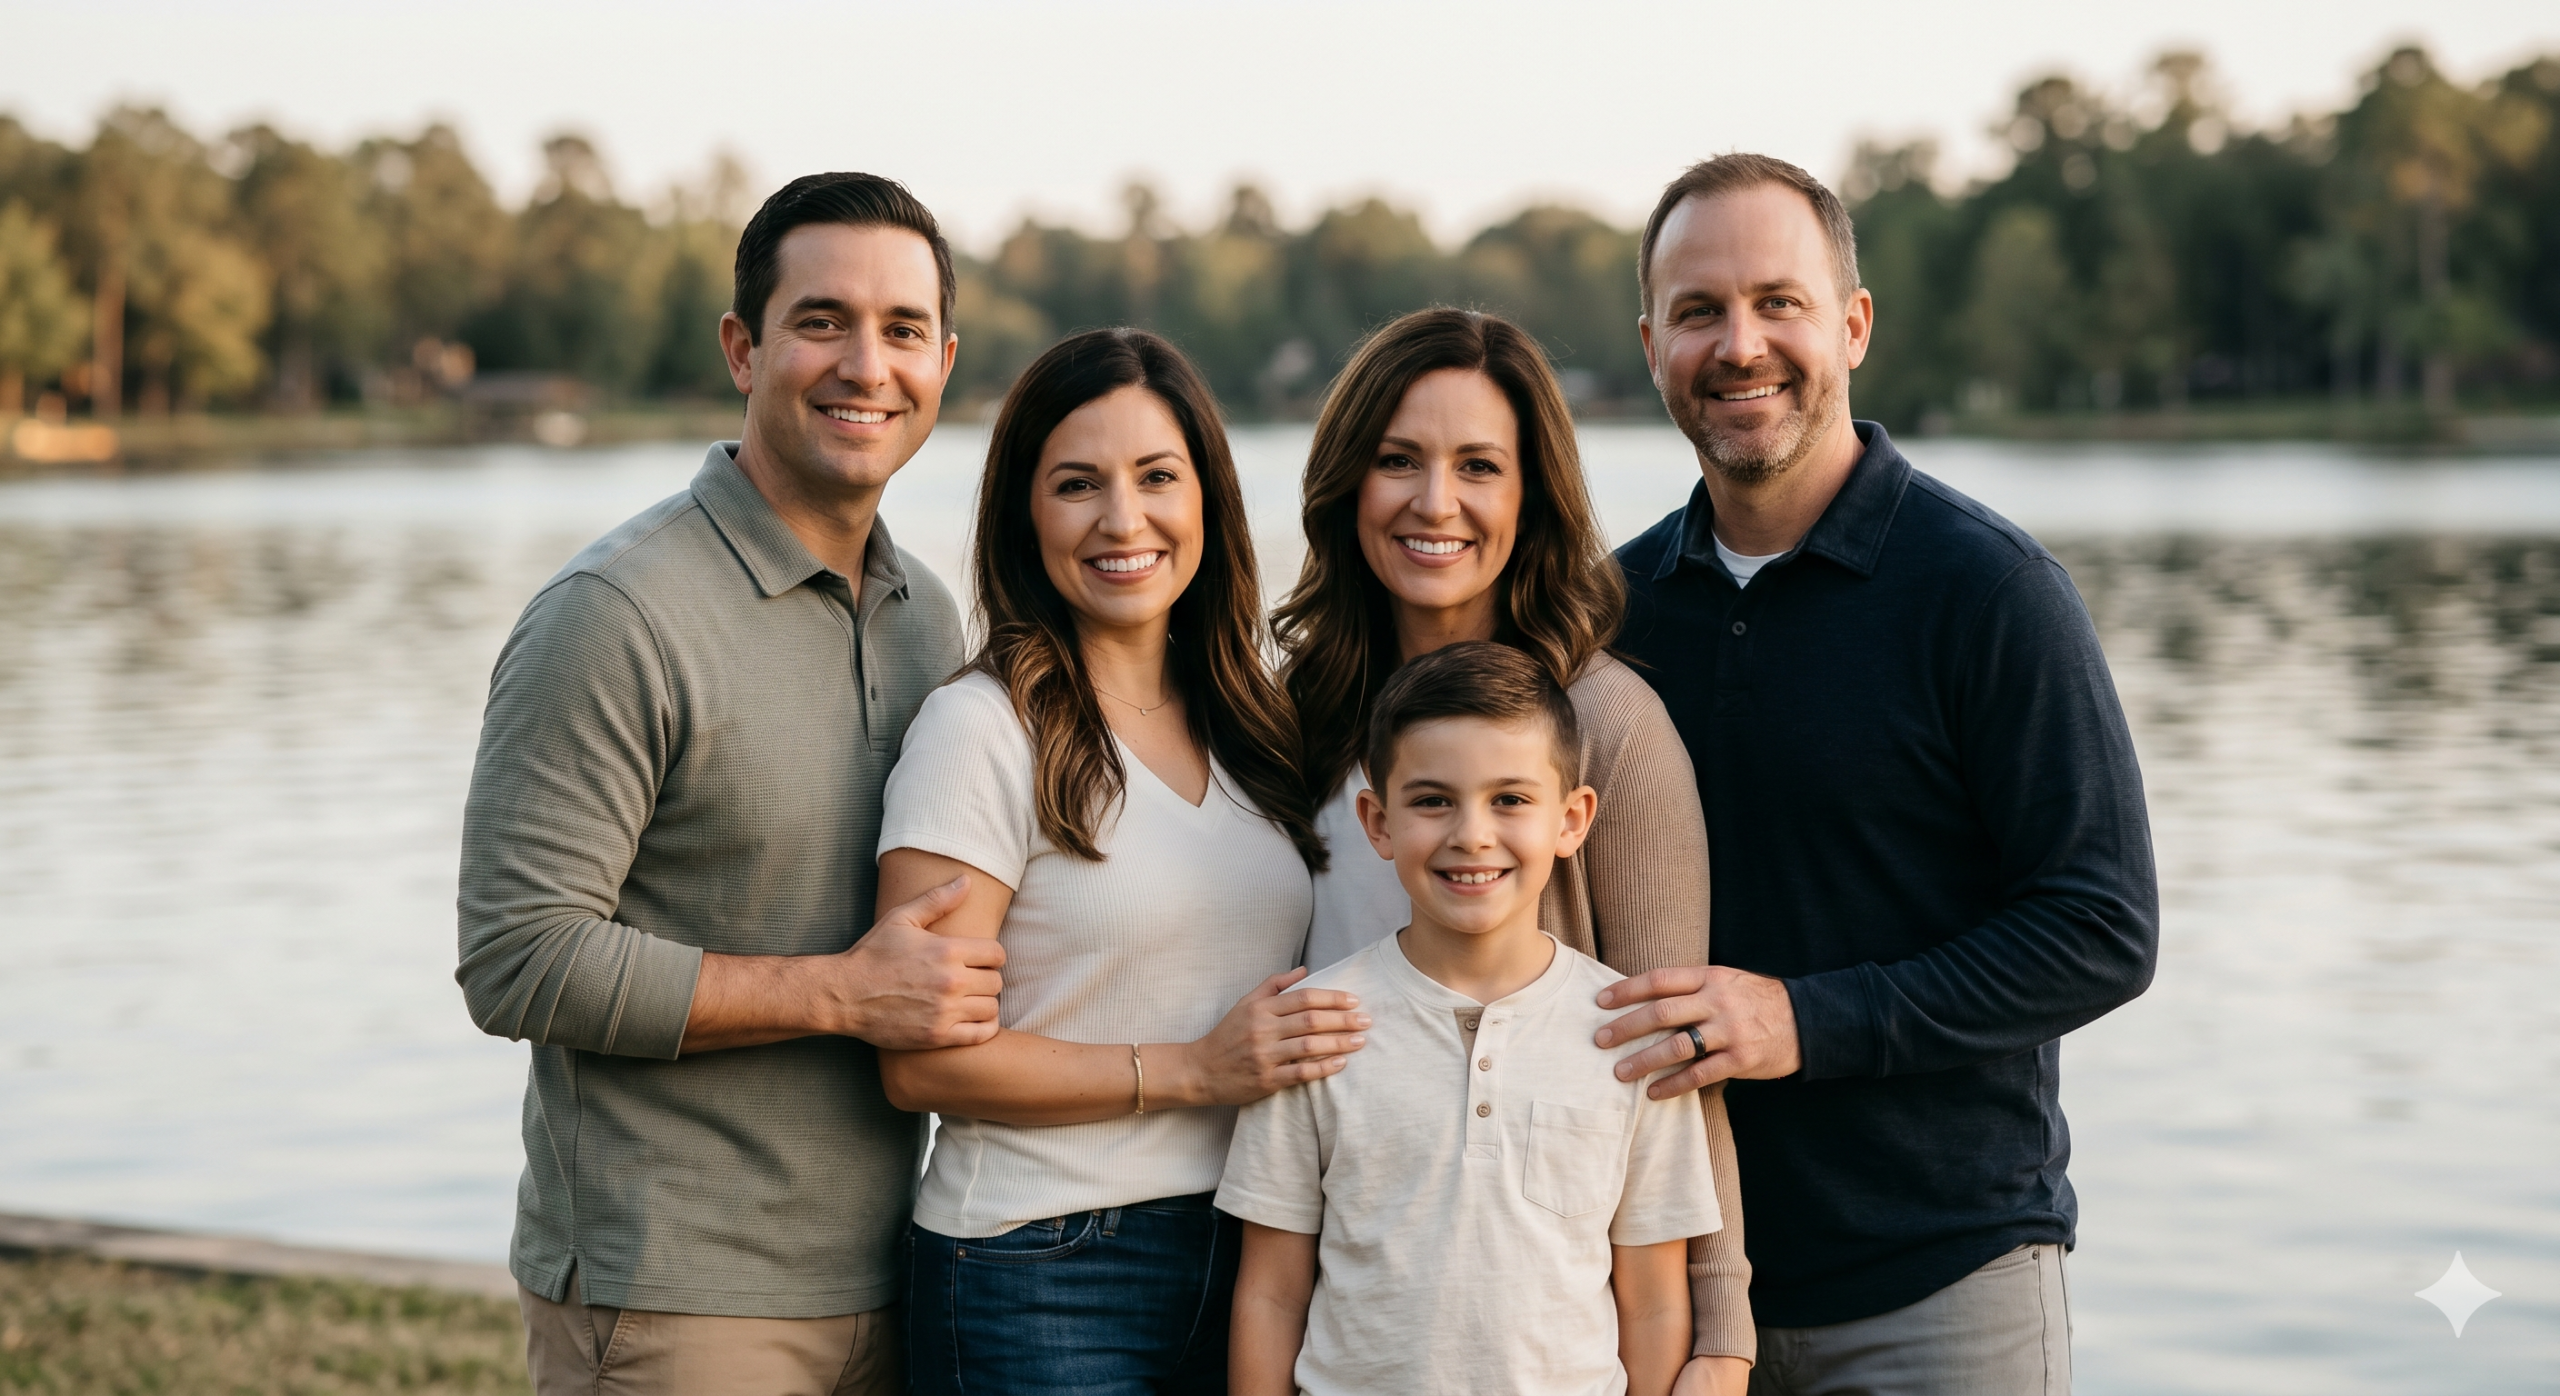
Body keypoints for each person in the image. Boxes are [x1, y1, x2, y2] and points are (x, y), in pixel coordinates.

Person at [1592, 153, 2159, 1395]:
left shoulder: (1988, 593)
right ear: (1651, 345)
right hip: (1674, 1296)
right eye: (1698, 312)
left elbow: (2101, 929)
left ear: (1852, 324)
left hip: (1939, 1289)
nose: (1739, 345)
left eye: (1776, 301)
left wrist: (1800, 1019)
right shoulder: (1612, 614)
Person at [456, 173, 1006, 1395]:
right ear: (741, 349)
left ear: (945, 362)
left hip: (890, 1274)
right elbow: (515, 957)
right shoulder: (616, 615)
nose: (867, 364)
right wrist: (840, 994)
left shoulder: (930, 614)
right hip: (674, 1298)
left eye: (902, 330)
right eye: (822, 321)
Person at [1272, 306, 1754, 1390]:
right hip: (1326, 1297)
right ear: (1350, 481)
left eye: (1478, 466)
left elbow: (1672, 1052)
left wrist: (1720, 1337)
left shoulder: (1608, 729)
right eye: (1398, 460)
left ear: (1529, 497)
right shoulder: (1290, 716)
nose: (1433, 502)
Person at [874, 327, 1362, 1395]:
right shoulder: (980, 731)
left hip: (1248, 1247)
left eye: (1156, 477)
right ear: (1024, 514)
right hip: (1040, 1263)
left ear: (1208, 500)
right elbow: (919, 1063)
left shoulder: (1258, 726)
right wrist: (1191, 1067)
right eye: (1076, 484)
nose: (1122, 520)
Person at [1222, 641, 1720, 1396]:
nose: (1472, 835)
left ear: (1573, 819)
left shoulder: (1630, 1034)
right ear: (1377, 821)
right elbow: (1271, 1291)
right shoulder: (1314, 1026)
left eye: (1510, 800)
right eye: (1432, 800)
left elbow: (1651, 1298)